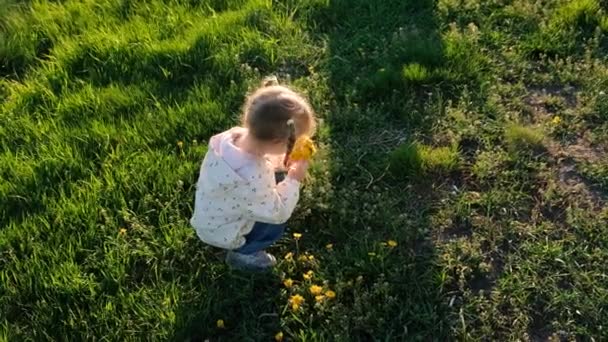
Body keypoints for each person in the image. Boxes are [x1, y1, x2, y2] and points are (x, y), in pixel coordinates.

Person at [190, 78, 316, 270]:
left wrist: (280, 163)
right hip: (226, 233)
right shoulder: (252, 177)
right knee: (273, 225)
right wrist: (293, 179)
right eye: (292, 144)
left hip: (212, 216)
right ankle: (243, 254)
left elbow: (261, 156)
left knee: (275, 181)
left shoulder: (230, 137)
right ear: (276, 142)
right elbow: (278, 213)